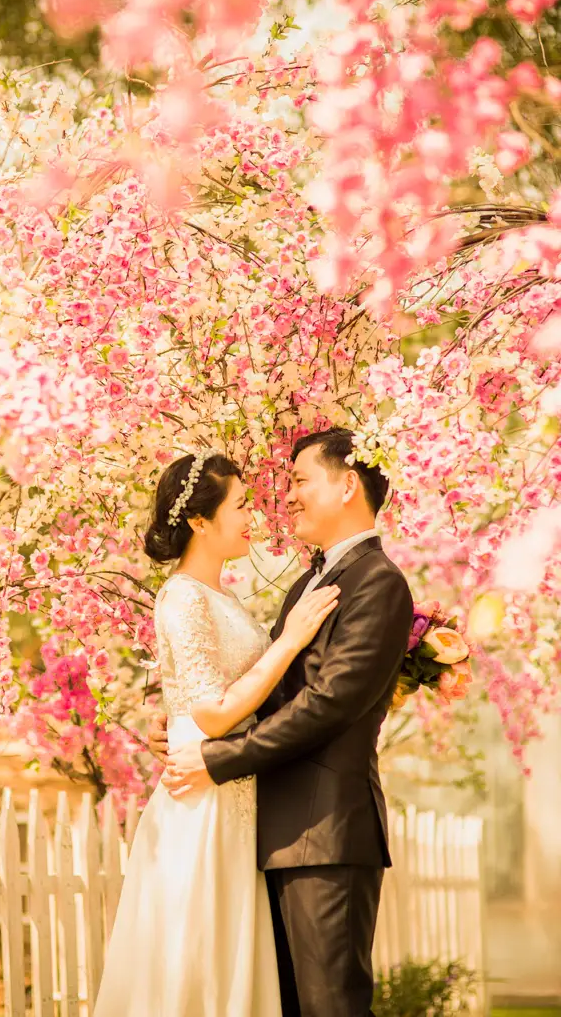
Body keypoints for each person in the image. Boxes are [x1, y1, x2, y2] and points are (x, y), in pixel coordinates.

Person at [156, 428, 414, 1017]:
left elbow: (327, 704)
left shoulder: (378, 583)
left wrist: (217, 759)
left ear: (348, 485)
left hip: (324, 833)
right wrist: (194, 735)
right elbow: (273, 694)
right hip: (274, 832)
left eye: (300, 480)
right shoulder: (309, 581)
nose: (287, 496)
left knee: (331, 1007)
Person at [93, 447, 340, 1017]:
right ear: (201, 521)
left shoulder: (222, 596)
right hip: (200, 796)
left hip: (231, 785)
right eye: (241, 505)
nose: (254, 515)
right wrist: (290, 640)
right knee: (195, 948)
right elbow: (211, 711)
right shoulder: (181, 596)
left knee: (228, 943)